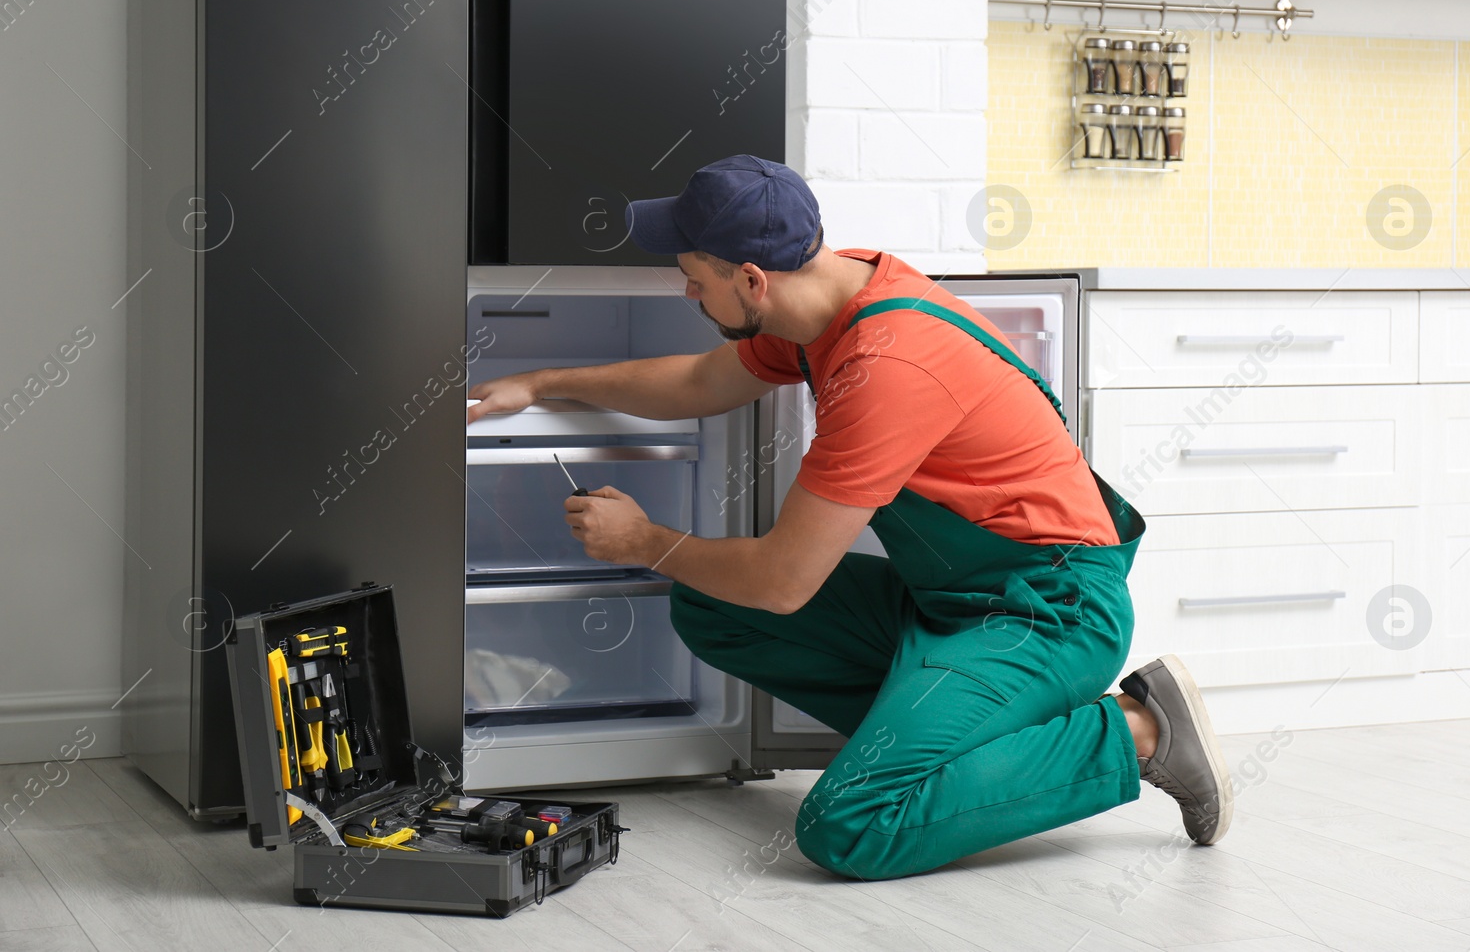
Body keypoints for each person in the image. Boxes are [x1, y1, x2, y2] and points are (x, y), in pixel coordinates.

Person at [467, 154, 1232, 879]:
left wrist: (645, 541)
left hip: (1047, 614)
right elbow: (700, 380)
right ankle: (945, 739)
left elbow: (784, 581)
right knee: (711, 607)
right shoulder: (833, 293)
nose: (686, 294)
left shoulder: (883, 368)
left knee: (851, 822)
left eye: (694, 278)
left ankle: (1138, 733)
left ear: (753, 279)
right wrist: (542, 382)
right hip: (950, 606)